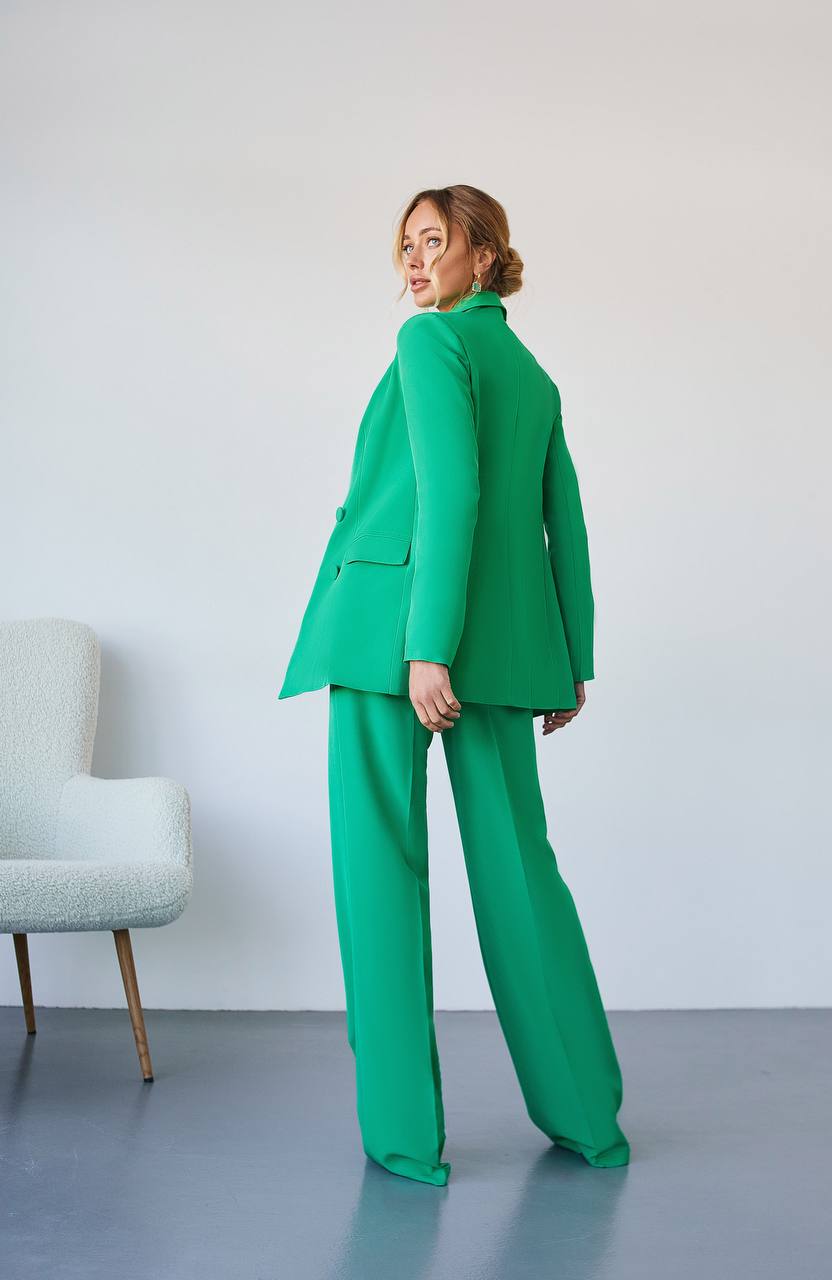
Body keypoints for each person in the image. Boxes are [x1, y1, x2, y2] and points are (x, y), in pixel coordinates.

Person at [277, 184, 630, 1186]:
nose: (417, 261)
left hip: (394, 639)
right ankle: (587, 1115)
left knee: (379, 875)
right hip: (512, 651)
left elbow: (452, 486)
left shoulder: (430, 344)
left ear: (485, 253)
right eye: (407, 243)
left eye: (436, 240)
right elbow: (563, 517)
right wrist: (571, 657)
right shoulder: (530, 370)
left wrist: (427, 643)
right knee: (521, 872)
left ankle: (402, 1134)